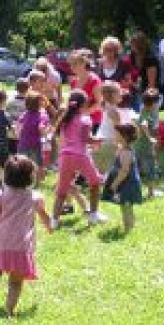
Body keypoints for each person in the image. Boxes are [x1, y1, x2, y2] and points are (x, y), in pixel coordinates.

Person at [0, 155, 52, 317]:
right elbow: (44, 216)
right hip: (21, 245)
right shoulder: (34, 197)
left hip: (2, 241)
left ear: (6, 177)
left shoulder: (2, 196)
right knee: (16, 282)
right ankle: (9, 310)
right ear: (30, 178)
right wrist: (49, 226)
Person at [52, 89, 104, 228]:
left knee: (61, 191)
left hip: (65, 157)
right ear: (84, 104)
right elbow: (86, 139)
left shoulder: (64, 119)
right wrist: (98, 140)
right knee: (95, 183)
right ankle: (93, 214)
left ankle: (54, 221)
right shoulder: (86, 119)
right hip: (80, 156)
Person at [102, 123, 144, 233]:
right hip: (125, 183)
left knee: (126, 207)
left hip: (127, 184)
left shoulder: (126, 153)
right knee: (125, 206)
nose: (114, 136)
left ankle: (128, 229)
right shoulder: (123, 149)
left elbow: (124, 171)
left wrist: (115, 184)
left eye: (116, 134)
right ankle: (130, 226)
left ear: (124, 137)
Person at [16, 93, 51, 181]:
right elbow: (42, 130)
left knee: (21, 164)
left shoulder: (24, 114)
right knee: (38, 164)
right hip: (35, 144)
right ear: (39, 104)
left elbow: (18, 129)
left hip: (23, 144)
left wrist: (19, 136)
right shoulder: (42, 116)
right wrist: (49, 130)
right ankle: (39, 181)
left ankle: (22, 180)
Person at [68, 50, 103, 131]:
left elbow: (99, 103)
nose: (71, 67)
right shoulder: (73, 82)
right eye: (71, 64)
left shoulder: (94, 80)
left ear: (84, 64)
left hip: (93, 121)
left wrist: (84, 113)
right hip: (77, 121)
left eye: (75, 64)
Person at [137, 88, 162, 198]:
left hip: (138, 144)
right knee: (150, 168)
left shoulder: (142, 109)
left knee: (136, 167)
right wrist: (150, 138)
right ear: (155, 103)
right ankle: (151, 192)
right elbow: (143, 124)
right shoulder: (147, 113)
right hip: (146, 145)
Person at [127, 31, 161, 108]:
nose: (131, 46)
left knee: (147, 116)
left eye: (133, 44)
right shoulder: (132, 56)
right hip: (136, 89)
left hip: (149, 92)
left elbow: (151, 84)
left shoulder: (150, 59)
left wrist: (147, 99)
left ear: (140, 45)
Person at [5, 77, 29, 155]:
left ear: (16, 88)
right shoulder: (29, 102)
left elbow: (6, 115)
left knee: (12, 153)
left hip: (11, 133)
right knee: (23, 154)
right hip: (25, 133)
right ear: (28, 88)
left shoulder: (10, 101)